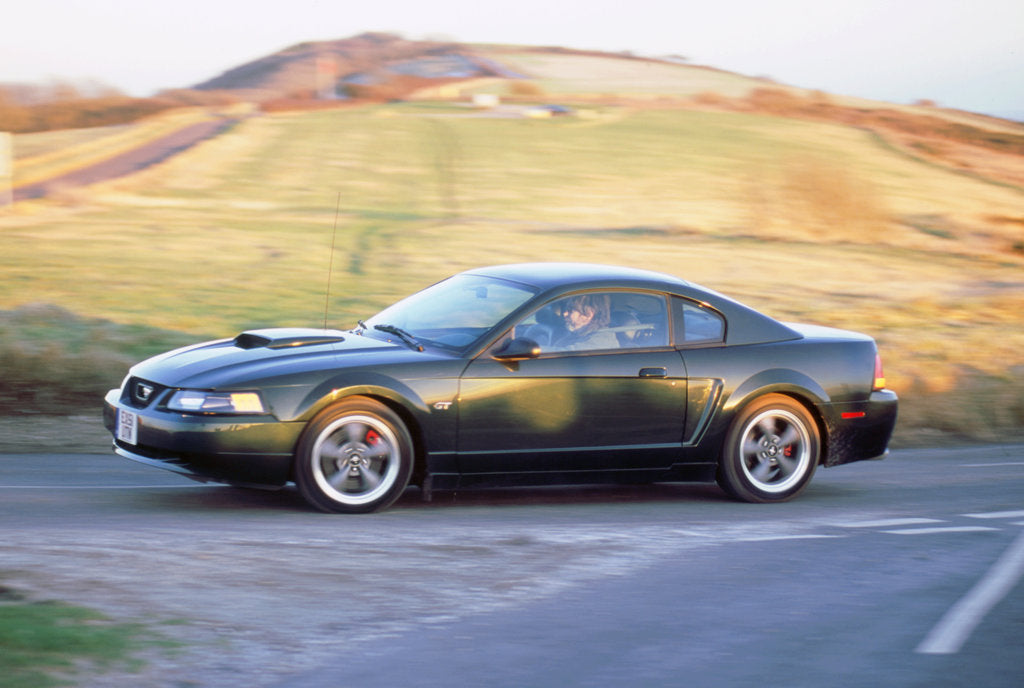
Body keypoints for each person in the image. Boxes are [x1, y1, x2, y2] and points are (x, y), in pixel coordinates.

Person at [553, 294, 618, 351]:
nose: (565, 314)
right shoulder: (575, 336)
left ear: (588, 314)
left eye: (571, 310)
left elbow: (567, 355)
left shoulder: (602, 339)